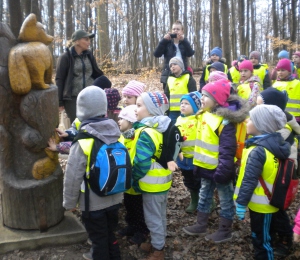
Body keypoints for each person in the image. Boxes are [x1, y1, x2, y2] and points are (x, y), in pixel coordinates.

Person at [182, 79, 249, 243]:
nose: (202, 99)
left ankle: (225, 230)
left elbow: (227, 150)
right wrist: (198, 165)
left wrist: (224, 171)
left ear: (217, 99)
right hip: (205, 167)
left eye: (205, 96)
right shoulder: (204, 115)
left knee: (226, 199)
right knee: (204, 195)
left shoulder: (224, 122)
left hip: (220, 170)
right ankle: (201, 223)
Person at [63, 86, 122, 260]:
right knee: (110, 235)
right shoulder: (116, 133)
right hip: (116, 198)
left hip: (93, 203)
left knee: (98, 241)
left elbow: (73, 176)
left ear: (81, 110)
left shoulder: (82, 141)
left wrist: (69, 203)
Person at [234, 104, 290, 260]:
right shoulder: (273, 145)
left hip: (262, 206)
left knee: (262, 242)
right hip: (268, 202)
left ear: (261, 125)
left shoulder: (259, 150)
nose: (246, 121)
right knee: (264, 236)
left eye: (251, 119)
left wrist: (241, 204)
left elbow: (249, 180)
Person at [256, 87, 298, 257]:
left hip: (282, 176)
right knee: (269, 206)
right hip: (270, 175)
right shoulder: (270, 126)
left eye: (259, 106)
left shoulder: (283, 130)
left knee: (278, 208)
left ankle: (286, 238)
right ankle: (272, 233)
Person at [131, 92, 172, 260]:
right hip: (163, 181)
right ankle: (159, 241)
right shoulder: (164, 127)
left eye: (139, 106)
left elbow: (142, 161)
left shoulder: (147, 132)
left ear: (152, 110)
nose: (136, 109)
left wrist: (133, 178)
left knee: (152, 218)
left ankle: (158, 250)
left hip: (150, 184)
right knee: (160, 215)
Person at [116, 105, 150, 246]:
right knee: (129, 205)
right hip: (126, 181)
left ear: (130, 121)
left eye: (122, 119)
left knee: (138, 208)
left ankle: (141, 230)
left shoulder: (139, 136)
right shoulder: (122, 137)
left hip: (136, 180)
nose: (118, 121)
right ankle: (131, 226)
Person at [56, 29, 104, 122]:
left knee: (92, 122)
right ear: (77, 41)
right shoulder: (65, 57)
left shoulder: (89, 55)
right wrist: (60, 101)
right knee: (77, 123)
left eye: (89, 40)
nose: (89, 42)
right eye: (86, 39)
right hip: (73, 98)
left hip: (90, 95)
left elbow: (96, 73)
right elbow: (59, 79)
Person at [175, 91, 202, 213]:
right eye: (181, 103)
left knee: (199, 180)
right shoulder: (179, 119)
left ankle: (206, 201)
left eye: (187, 103)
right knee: (189, 180)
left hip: (196, 157)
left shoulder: (198, 119)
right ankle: (194, 199)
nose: (183, 106)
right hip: (183, 157)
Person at [153, 20, 195, 90]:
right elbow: (156, 54)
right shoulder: (167, 43)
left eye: (178, 29)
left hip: (183, 73)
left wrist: (184, 40)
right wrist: (163, 40)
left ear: (182, 31)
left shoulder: (184, 42)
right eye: (174, 29)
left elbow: (190, 53)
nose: (175, 31)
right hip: (169, 74)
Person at [165, 57, 196, 124]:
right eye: (171, 66)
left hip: (186, 109)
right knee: (173, 128)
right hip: (172, 111)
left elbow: (193, 94)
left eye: (175, 64)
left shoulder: (188, 78)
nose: (172, 67)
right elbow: (166, 95)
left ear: (181, 65)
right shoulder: (169, 79)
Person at [272, 58, 300, 123]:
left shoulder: (297, 83)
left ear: (289, 71)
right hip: (280, 117)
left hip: (296, 117)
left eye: (283, 70)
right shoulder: (275, 84)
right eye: (278, 70)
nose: (280, 72)